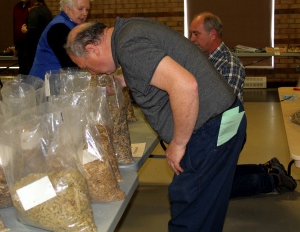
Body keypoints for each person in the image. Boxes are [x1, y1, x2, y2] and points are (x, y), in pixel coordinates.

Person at [65, 18, 247, 232]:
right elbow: (154, 65)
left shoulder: (128, 47)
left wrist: (178, 144)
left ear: (92, 49)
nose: (92, 73)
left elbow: (186, 86)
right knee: (207, 206)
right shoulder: (129, 30)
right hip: (225, 117)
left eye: (87, 67)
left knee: (192, 209)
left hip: (208, 129)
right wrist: (123, 81)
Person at [189, 12, 297, 198]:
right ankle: (267, 169)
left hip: (226, 131)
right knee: (212, 176)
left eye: (196, 34)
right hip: (215, 129)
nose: (191, 39)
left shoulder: (229, 64)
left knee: (209, 188)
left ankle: (273, 181)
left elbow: (220, 108)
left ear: (213, 34)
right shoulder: (206, 60)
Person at [29, 0, 93, 80]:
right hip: (44, 87)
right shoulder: (58, 28)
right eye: (80, 9)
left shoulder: (68, 25)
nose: (85, 13)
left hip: (53, 84)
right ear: (66, 8)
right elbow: (71, 63)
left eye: (87, 9)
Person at [21, 0, 52, 75]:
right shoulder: (46, 10)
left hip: (34, 51)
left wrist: (25, 30)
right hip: (44, 49)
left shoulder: (35, 11)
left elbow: (32, 33)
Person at [13, 0, 32, 75]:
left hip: (30, 48)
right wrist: (16, 46)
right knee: (22, 72)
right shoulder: (17, 7)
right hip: (20, 48)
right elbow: (14, 26)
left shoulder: (33, 7)